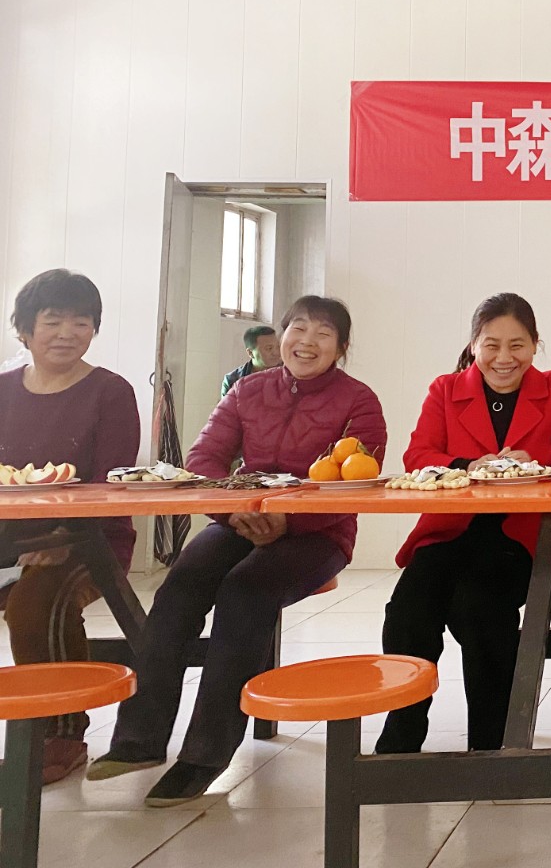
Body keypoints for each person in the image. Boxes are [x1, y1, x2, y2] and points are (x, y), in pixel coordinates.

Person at [91, 296, 384, 806]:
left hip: (320, 533)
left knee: (245, 591)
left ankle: (205, 756)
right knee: (180, 587)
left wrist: (287, 520)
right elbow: (204, 458)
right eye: (298, 329)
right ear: (282, 335)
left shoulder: (359, 400)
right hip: (239, 519)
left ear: (341, 347)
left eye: (323, 333)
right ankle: (139, 740)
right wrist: (236, 513)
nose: (307, 342)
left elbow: (357, 481)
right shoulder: (248, 390)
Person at [376, 293, 551, 755]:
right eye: (491, 345)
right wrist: (469, 465)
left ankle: (492, 748)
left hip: (522, 534)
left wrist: (535, 466)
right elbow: (419, 456)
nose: (504, 358)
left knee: (480, 607)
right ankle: (401, 736)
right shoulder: (445, 389)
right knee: (408, 611)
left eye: (517, 345)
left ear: (535, 345)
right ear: (474, 345)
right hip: (450, 530)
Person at [0, 270, 141, 783]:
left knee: (36, 604)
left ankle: (60, 733)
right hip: (11, 537)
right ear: (24, 329)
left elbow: (110, 486)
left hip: (89, 539)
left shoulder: (110, 392)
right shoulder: (3, 390)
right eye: (52, 320)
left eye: (81, 321)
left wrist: (60, 539)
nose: (67, 332)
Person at [221, 325, 280, 397]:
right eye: (269, 348)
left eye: (278, 347)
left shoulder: (288, 373)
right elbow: (226, 404)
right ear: (250, 353)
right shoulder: (232, 380)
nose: (276, 352)